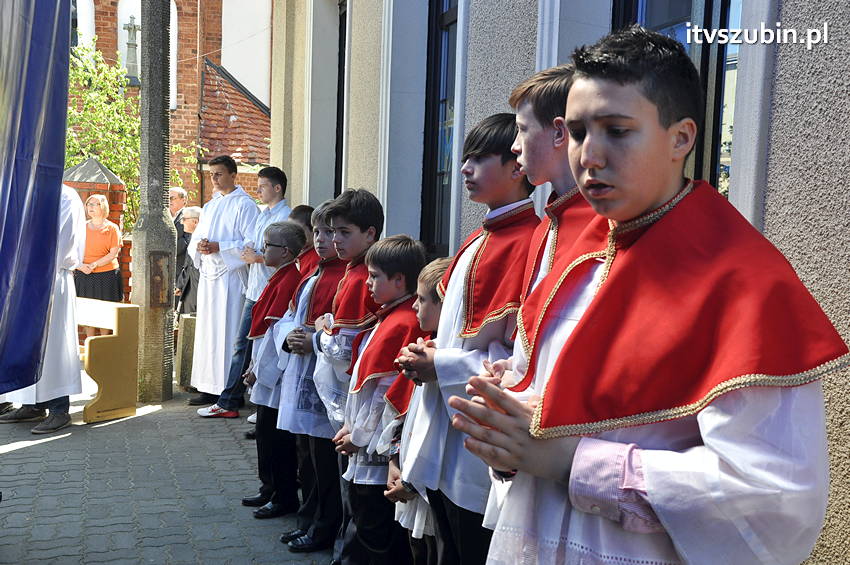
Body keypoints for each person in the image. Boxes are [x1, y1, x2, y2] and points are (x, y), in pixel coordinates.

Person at [448, 26, 849, 565]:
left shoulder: (745, 283)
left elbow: (773, 500)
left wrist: (574, 462)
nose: (590, 156)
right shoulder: (572, 253)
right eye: (577, 132)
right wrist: (507, 426)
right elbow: (544, 411)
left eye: (617, 130)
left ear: (681, 138)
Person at [396, 113, 539, 565]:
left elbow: (520, 358)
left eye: (478, 159)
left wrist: (440, 364)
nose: (464, 169)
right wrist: (433, 352)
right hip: (448, 423)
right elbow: (460, 331)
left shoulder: (530, 242)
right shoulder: (479, 238)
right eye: (465, 158)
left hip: (477, 439)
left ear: (515, 165)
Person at [333, 234, 428, 565]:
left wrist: (358, 435)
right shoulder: (391, 315)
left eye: (374, 276)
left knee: (375, 536)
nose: (367, 283)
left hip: (376, 451)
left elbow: (387, 397)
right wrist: (351, 428)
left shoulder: (404, 322)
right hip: (365, 441)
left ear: (399, 280)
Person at [313, 188, 383, 565]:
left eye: (344, 232)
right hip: (352, 399)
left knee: (357, 499)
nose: (335, 240)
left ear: (370, 234)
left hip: (355, 401)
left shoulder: (359, 277)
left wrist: (321, 333)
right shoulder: (356, 269)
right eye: (332, 231)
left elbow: (343, 350)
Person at [275, 202, 347, 554]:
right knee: (307, 456)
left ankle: (323, 527)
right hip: (303, 369)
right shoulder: (314, 272)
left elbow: (341, 334)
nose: (320, 239)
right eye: (316, 232)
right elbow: (292, 314)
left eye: (329, 233)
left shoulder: (345, 276)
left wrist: (313, 340)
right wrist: (290, 335)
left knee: (324, 463)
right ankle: (308, 519)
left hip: (325, 378)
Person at [196, 166, 292, 413]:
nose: (258, 191)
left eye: (263, 186)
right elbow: (251, 243)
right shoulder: (263, 214)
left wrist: (257, 257)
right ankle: (233, 400)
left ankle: (251, 405)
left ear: (277, 188)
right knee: (245, 345)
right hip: (255, 288)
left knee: (262, 348)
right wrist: (248, 252)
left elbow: (288, 256)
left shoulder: (286, 217)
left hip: (272, 289)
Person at [0, 185, 87, 434]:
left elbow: (59, 240)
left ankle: (59, 409)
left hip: (51, 277)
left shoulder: (66, 196)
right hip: (22, 278)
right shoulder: (26, 189)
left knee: (53, 345)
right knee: (27, 343)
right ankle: (31, 404)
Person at [509, 64, 597, 299]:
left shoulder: (606, 226)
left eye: (522, 129)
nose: (515, 146)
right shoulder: (545, 227)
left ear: (559, 133)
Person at [385, 257, 452, 565]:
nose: (414, 305)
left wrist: (411, 481)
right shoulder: (424, 350)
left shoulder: (443, 365)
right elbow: (406, 416)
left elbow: (437, 435)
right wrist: (394, 460)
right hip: (409, 478)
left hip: (427, 488)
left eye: (422, 299)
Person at [242, 221, 307, 520]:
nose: (263, 249)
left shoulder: (289, 279)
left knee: (276, 439)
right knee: (266, 435)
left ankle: (282, 496)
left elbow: (275, 333)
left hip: (275, 372)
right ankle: (269, 487)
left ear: (285, 252)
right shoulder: (279, 276)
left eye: (268, 245)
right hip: (266, 366)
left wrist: (258, 369)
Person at [186, 155, 260, 406]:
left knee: (228, 333)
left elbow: (251, 243)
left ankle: (228, 388)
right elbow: (196, 237)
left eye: (218, 174)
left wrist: (221, 246)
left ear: (233, 175)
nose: (214, 179)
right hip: (210, 277)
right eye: (211, 174)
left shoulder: (245, 205)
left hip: (231, 278)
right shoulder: (210, 205)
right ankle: (208, 386)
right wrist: (201, 245)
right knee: (208, 333)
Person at [74, 193, 123, 337]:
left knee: (105, 313)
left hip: (107, 275)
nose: (91, 207)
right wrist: (80, 266)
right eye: (89, 204)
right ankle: (90, 344)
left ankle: (103, 345)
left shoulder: (112, 228)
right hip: (84, 274)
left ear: (104, 207)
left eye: (95, 204)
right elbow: (71, 250)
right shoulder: (80, 227)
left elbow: (113, 254)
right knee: (87, 313)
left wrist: (94, 264)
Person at [175, 206, 202, 315]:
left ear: (195, 221)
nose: (182, 223)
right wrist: (181, 284)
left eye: (184, 219)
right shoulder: (193, 237)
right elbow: (187, 263)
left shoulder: (203, 238)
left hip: (199, 286)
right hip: (189, 286)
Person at [290, 204, 320, 276]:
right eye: (289, 229)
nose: (292, 235)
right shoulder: (296, 255)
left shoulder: (316, 259)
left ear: (313, 230)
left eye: (298, 230)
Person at [170, 187, 189, 287]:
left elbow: (187, 241)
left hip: (181, 269)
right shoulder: (165, 216)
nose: (169, 201)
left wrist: (168, 250)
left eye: (172, 198)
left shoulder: (188, 216)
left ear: (183, 200)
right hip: (165, 267)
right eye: (168, 198)